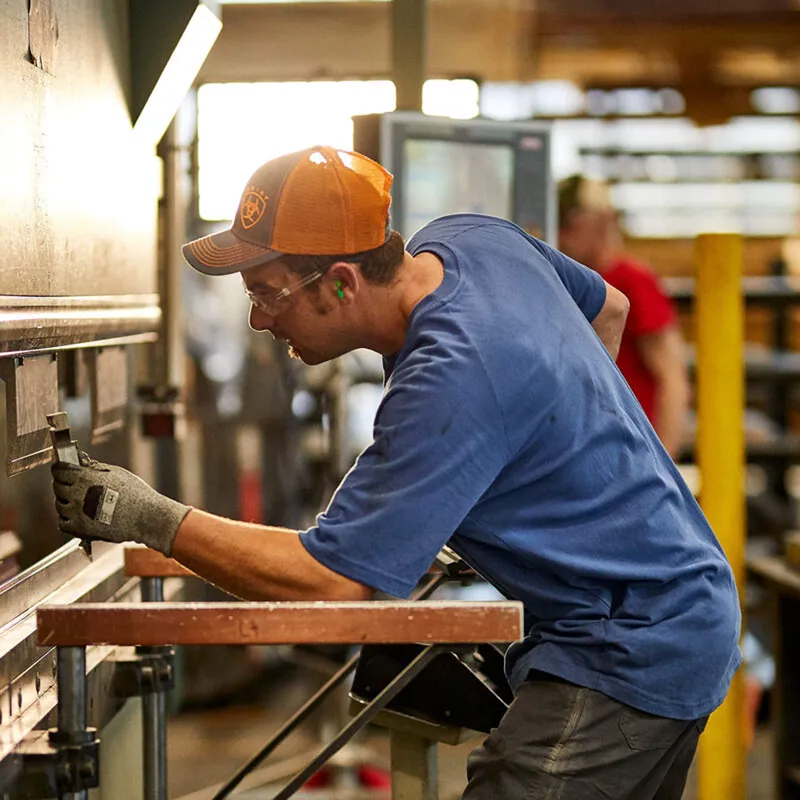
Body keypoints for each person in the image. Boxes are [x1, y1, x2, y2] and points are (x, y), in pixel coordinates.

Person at [52, 146, 741, 799]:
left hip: (629, 642)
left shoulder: (450, 377)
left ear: (344, 283)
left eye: (268, 294)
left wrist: (146, 517)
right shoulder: (473, 239)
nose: (260, 322)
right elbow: (606, 310)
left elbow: (331, 581)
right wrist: (519, 482)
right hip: (680, 604)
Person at [558, 175, 690, 459]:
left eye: (572, 223)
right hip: (584, 447)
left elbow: (672, 377)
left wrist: (663, 461)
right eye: (563, 225)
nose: (564, 235)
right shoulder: (562, 280)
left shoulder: (631, 280)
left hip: (631, 448)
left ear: (602, 221)